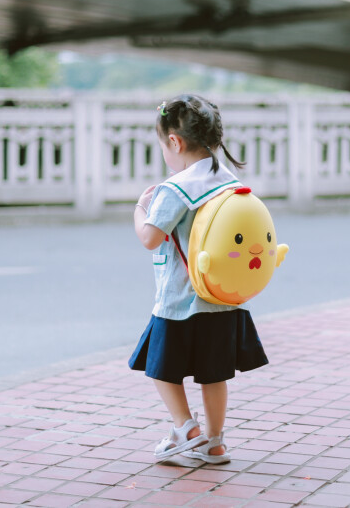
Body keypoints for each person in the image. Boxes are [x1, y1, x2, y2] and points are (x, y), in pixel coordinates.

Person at [129, 94, 269, 464]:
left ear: (174, 142)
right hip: (222, 298)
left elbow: (150, 238)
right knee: (213, 374)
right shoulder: (228, 179)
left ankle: (185, 428)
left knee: (159, 367)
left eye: (163, 147)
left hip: (179, 300)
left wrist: (141, 208)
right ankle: (215, 441)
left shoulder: (175, 188)